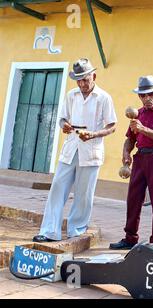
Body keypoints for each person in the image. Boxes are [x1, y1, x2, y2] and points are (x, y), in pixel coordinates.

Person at [33, 58, 117, 242]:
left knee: (84, 193)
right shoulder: (71, 95)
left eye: (85, 80)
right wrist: (64, 126)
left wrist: (94, 134)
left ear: (93, 76)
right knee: (57, 187)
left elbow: (112, 126)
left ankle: (76, 229)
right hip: (71, 147)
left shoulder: (104, 97)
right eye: (78, 80)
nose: (82, 84)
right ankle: (49, 231)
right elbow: (62, 119)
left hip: (91, 149)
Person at [109, 75, 153, 249]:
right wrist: (125, 152)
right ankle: (130, 238)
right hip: (140, 158)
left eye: (150, 94)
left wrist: (143, 129)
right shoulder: (138, 114)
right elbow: (130, 138)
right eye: (142, 95)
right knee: (133, 199)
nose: (146, 98)